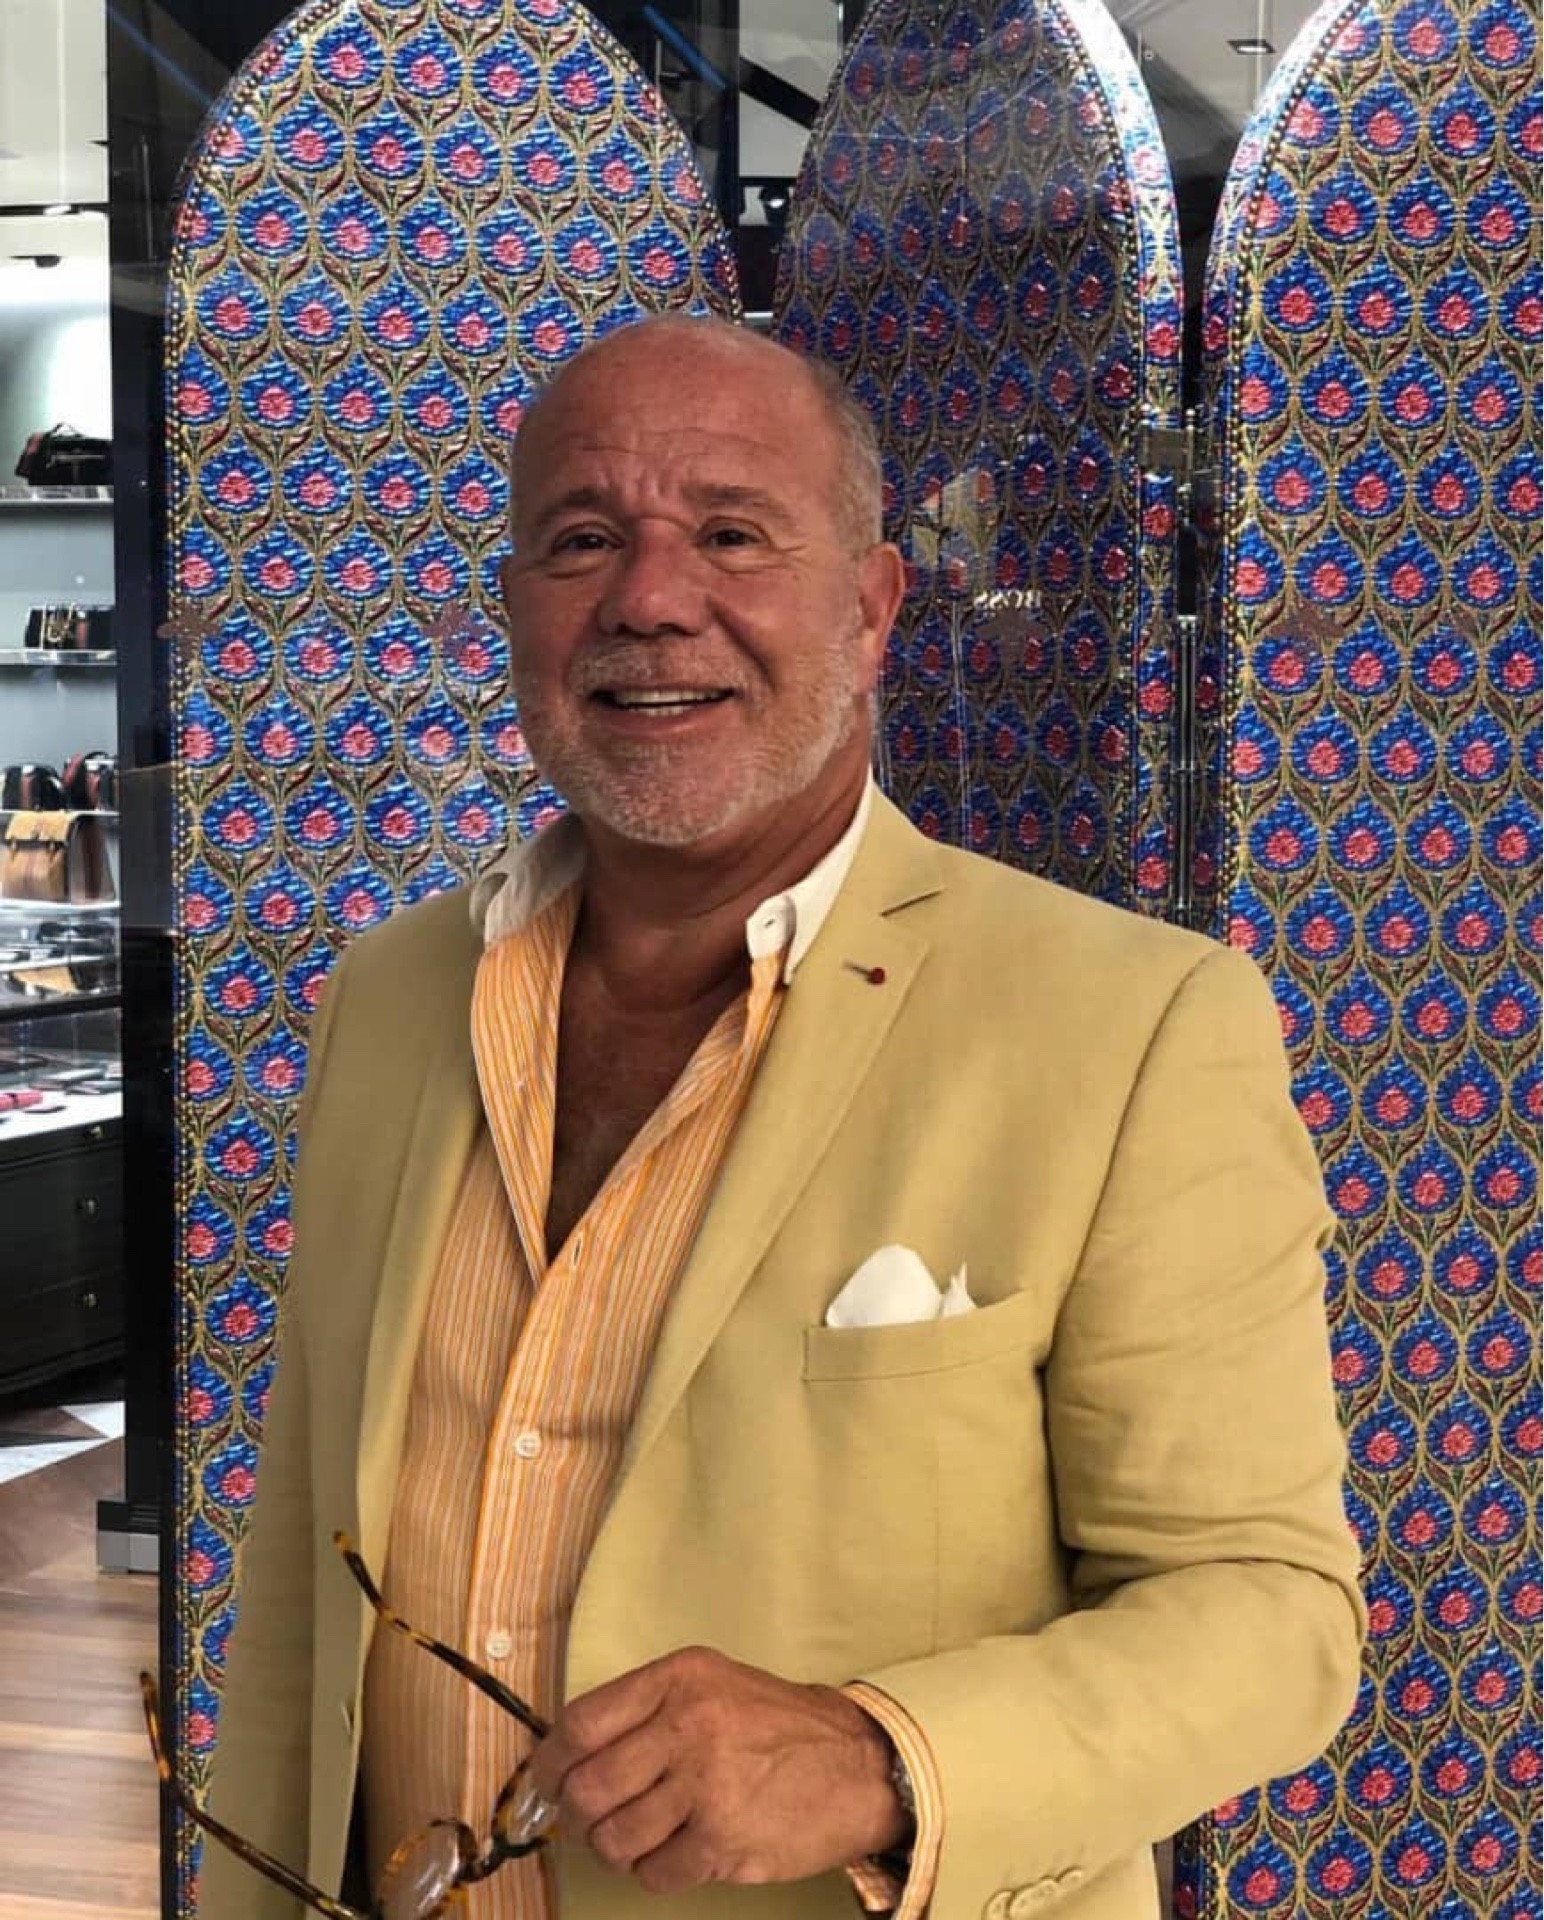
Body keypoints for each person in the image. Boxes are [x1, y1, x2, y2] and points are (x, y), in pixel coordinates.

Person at [201, 315, 1364, 1920]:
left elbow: (1269, 1615)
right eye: (582, 539)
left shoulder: (1131, 1028)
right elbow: (298, 1571)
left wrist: (882, 1757)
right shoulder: (389, 999)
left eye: (733, 534)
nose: (650, 598)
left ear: (873, 608)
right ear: (514, 605)